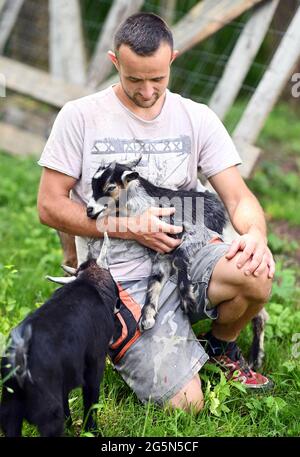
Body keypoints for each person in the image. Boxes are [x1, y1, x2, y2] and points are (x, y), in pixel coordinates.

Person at [37, 12, 275, 413]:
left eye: (157, 80)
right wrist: (130, 228)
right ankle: (130, 333)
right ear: (115, 62)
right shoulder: (80, 117)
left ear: (172, 60)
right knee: (187, 407)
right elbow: (49, 205)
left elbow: (238, 198)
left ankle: (220, 345)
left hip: (186, 255)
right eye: (134, 80)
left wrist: (255, 235)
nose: (147, 92)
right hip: (119, 278)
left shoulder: (196, 117)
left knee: (257, 274)